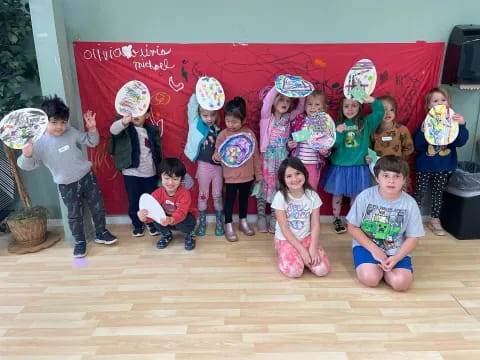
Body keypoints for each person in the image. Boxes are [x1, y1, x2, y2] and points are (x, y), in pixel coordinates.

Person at [17, 95, 117, 258]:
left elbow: (92, 142)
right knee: (74, 214)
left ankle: (101, 232)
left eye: (63, 122)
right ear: (44, 121)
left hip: (87, 177)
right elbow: (27, 165)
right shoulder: (38, 143)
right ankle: (79, 242)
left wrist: (92, 129)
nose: (60, 127)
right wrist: (27, 154)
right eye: (54, 122)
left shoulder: (71, 132)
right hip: (66, 184)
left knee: (97, 207)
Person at [346, 155, 425, 291]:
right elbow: (352, 227)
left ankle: (386, 270)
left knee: (401, 284)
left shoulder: (410, 204)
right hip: (367, 247)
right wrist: (375, 250)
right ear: (377, 178)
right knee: (370, 279)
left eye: (396, 176)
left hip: (396, 250)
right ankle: (378, 269)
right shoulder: (365, 196)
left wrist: (395, 258)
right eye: (386, 176)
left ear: (404, 180)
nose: (391, 181)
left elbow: (413, 237)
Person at [322, 95, 384, 234]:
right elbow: (335, 145)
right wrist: (339, 133)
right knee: (337, 194)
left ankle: (353, 220)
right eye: (346, 106)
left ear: (360, 107)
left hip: (359, 166)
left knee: (356, 195)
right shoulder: (337, 125)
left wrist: (372, 101)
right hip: (340, 166)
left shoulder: (366, 123)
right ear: (341, 108)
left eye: (354, 105)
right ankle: (337, 218)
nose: (350, 109)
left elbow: (380, 113)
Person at [413, 87, 469, 235]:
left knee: (438, 194)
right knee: (419, 193)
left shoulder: (453, 122)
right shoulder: (425, 123)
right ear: (429, 105)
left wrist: (462, 125)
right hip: (425, 166)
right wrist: (422, 132)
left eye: (443, 100)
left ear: (448, 103)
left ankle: (435, 220)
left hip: (444, 165)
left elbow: (460, 142)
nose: (439, 103)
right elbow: (418, 146)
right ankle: (413, 220)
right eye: (435, 101)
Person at [213, 97, 263, 242]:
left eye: (234, 121)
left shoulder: (249, 134)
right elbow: (217, 153)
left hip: (247, 177)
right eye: (228, 121)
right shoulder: (223, 135)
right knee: (229, 202)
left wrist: (258, 175)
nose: (231, 124)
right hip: (230, 177)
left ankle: (243, 221)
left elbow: (255, 156)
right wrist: (216, 157)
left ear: (244, 120)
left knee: (243, 201)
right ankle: (228, 224)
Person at [271, 157, 330, 278]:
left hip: (306, 238)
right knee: (295, 272)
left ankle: (302, 257)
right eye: (289, 176)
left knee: (322, 270)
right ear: (283, 179)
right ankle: (285, 253)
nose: (294, 179)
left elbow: (315, 224)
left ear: (304, 173)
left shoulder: (312, 195)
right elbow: (284, 227)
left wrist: (313, 247)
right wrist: (302, 250)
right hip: (286, 239)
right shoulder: (280, 197)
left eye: (297, 173)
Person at [256, 85, 304, 233]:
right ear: (273, 101)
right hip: (267, 159)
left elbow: (301, 109)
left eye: (288, 101)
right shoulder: (266, 117)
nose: (285, 103)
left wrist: (300, 91)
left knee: (278, 188)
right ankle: (261, 216)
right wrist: (279, 87)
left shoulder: (287, 119)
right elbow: (267, 102)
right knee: (264, 188)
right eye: (281, 99)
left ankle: (275, 217)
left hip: (282, 159)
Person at [108, 106, 162, 237]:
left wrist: (159, 169)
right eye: (134, 112)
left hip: (149, 173)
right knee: (134, 201)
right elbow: (113, 130)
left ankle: (150, 222)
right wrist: (124, 121)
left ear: (148, 115)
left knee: (150, 200)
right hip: (131, 173)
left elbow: (157, 151)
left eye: (140, 112)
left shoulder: (151, 130)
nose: (136, 115)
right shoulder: (125, 128)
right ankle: (137, 224)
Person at [184, 92, 224, 237]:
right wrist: (199, 90)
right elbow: (192, 106)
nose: (209, 119)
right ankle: (202, 222)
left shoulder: (220, 131)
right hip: (203, 167)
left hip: (218, 168)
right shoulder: (195, 124)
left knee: (217, 194)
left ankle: (219, 221)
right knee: (203, 194)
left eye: (212, 115)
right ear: (200, 114)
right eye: (206, 115)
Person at [137, 158, 198, 250]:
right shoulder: (156, 194)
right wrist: (144, 217)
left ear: (181, 179)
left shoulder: (184, 194)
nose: (170, 182)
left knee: (183, 221)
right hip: (167, 219)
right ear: (161, 177)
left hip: (184, 218)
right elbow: (151, 214)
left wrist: (171, 219)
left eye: (175, 179)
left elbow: (181, 213)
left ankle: (190, 233)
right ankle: (167, 234)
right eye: (166, 178)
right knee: (157, 219)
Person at [290, 90, 331, 190]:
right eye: (309, 104)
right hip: (297, 163)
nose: (312, 107)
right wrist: (290, 144)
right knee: (295, 189)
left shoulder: (325, 124)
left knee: (311, 190)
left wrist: (325, 152)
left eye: (317, 104)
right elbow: (291, 135)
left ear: (324, 108)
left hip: (313, 164)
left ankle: (310, 206)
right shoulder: (300, 119)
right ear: (304, 106)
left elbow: (328, 143)